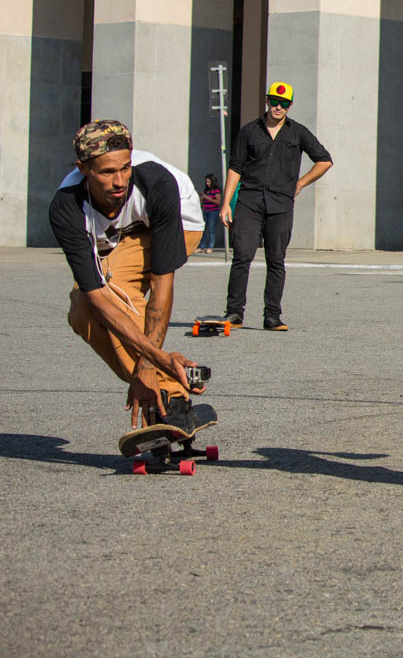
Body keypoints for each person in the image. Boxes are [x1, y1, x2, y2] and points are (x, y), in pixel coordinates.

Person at [48, 120, 208, 431]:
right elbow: (96, 298)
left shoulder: (156, 184)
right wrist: (156, 359)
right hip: (122, 238)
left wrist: (148, 364)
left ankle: (169, 398)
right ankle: (165, 390)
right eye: (107, 173)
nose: (119, 180)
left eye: (124, 168)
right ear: (83, 169)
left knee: (113, 287)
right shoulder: (66, 207)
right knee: (82, 307)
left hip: (182, 220)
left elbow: (162, 285)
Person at [220, 82, 333, 331]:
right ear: (267, 101)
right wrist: (226, 203)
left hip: (281, 204)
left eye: (283, 103)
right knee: (242, 256)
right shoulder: (249, 131)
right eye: (274, 101)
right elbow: (235, 168)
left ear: (290, 106)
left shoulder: (298, 133)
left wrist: (301, 183)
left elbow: (324, 161)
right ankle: (234, 313)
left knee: (276, 260)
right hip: (249, 202)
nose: (278, 107)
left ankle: (272, 316)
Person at [199, 173, 222, 253]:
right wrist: (202, 198)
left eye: (208, 182)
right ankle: (202, 246)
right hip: (205, 211)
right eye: (206, 182)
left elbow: (218, 202)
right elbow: (204, 200)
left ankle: (210, 247)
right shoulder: (207, 190)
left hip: (213, 212)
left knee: (211, 230)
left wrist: (207, 197)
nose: (207, 183)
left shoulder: (216, 190)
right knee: (203, 230)